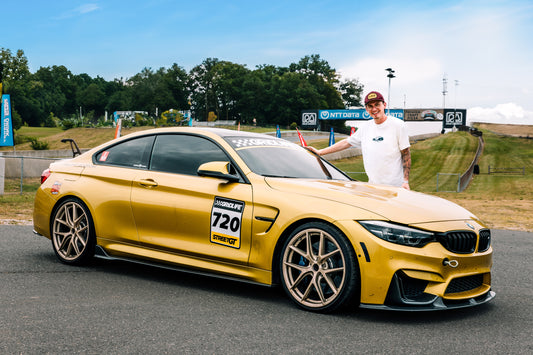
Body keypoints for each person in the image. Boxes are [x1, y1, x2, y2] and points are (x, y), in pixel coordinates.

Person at [308, 91, 411, 189]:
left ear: (384, 105)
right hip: (373, 186)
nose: (374, 109)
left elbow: (406, 153)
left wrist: (405, 181)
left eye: (377, 105)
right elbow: (346, 143)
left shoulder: (398, 125)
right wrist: (320, 152)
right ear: (366, 109)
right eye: (370, 106)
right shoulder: (365, 127)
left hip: (395, 187)